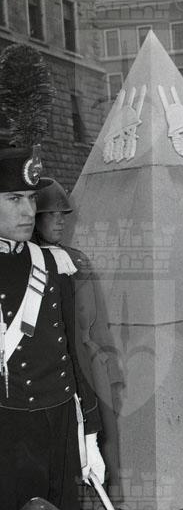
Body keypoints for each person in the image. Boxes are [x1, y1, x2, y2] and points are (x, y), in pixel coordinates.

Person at [0, 147, 105, 510]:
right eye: (14, 199)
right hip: (9, 429)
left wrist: (90, 431)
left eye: (31, 198)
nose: (28, 211)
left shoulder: (53, 264)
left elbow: (73, 352)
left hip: (61, 422)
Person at [33, 177, 124, 486]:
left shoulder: (76, 259)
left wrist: (111, 368)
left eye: (63, 214)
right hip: (53, 369)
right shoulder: (27, 264)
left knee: (102, 442)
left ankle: (99, 504)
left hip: (90, 363)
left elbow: (97, 322)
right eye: (51, 214)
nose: (60, 221)